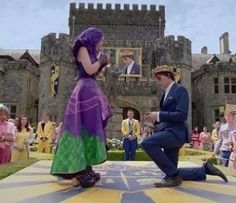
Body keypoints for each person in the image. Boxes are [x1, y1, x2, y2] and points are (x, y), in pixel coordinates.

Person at [142, 65, 228, 187]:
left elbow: (182, 115)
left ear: (168, 76)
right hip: (168, 131)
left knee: (147, 143)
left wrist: (158, 115)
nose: (157, 82)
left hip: (175, 133)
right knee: (171, 172)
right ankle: (204, 170)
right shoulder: (165, 93)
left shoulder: (179, 90)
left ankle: (174, 176)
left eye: (159, 78)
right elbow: (167, 117)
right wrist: (154, 120)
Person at [50, 27, 112, 188]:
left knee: (90, 127)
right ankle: (79, 169)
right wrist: (101, 61)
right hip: (84, 90)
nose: (101, 43)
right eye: (100, 40)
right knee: (81, 127)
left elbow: (94, 72)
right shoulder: (82, 48)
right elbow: (88, 69)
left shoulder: (91, 51)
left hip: (91, 89)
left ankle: (87, 166)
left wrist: (102, 64)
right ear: (93, 38)